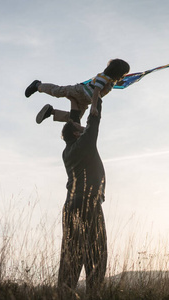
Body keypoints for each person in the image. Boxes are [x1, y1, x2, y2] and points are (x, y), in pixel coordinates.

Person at [57, 97, 107, 299]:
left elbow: (77, 123)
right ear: (78, 133)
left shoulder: (67, 151)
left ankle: (64, 295)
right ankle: (94, 294)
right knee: (96, 253)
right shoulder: (85, 143)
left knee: (70, 256)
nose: (83, 127)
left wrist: (74, 107)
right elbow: (93, 121)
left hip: (70, 206)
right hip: (89, 203)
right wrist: (98, 94)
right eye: (80, 126)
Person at [25, 59, 129, 124]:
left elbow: (110, 86)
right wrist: (94, 107)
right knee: (57, 91)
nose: (123, 76)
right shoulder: (104, 77)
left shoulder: (111, 81)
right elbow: (96, 90)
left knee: (75, 119)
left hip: (84, 101)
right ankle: (38, 85)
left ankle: (50, 111)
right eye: (123, 74)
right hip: (79, 91)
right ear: (117, 73)